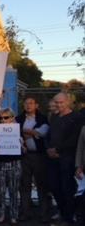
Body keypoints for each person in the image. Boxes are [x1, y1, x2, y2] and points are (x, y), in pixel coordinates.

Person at [47, 92, 80, 225]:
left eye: (61, 102)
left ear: (67, 102)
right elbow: (49, 135)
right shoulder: (54, 117)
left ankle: (69, 217)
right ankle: (63, 212)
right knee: (54, 187)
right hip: (52, 159)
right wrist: (48, 149)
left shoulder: (77, 117)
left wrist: (58, 150)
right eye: (56, 102)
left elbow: (74, 139)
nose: (58, 105)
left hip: (68, 159)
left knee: (68, 189)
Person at [16, 96, 51, 222]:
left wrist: (26, 131)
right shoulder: (18, 119)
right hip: (24, 156)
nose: (28, 105)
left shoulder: (43, 118)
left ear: (36, 105)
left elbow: (42, 133)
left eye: (31, 103)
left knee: (41, 185)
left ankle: (44, 214)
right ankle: (25, 213)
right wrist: (32, 132)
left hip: (39, 156)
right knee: (24, 185)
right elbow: (16, 134)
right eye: (26, 103)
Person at [0, 108, 23, 225]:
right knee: (0, 191)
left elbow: (24, 151)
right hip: (0, 163)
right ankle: (1, 214)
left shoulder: (18, 130)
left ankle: (14, 215)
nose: (3, 120)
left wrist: (22, 144)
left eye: (6, 117)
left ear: (12, 117)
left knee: (14, 190)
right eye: (1, 118)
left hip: (15, 163)